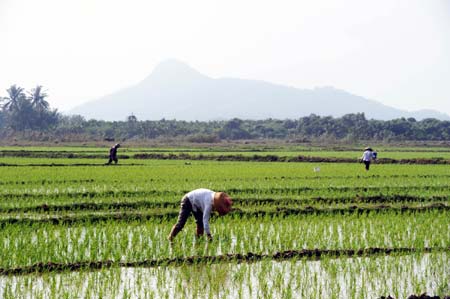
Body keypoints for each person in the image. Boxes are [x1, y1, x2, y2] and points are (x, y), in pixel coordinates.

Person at [168, 188, 233, 242]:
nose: (215, 210)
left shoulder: (213, 197)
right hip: (187, 200)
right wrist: (208, 235)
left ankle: (199, 241)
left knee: (200, 223)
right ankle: (170, 238)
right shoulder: (209, 204)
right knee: (181, 224)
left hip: (197, 204)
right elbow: (205, 220)